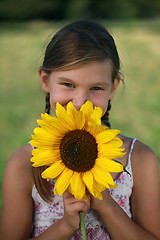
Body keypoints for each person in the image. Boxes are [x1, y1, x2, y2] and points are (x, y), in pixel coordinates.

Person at [0, 19, 160, 240]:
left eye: (95, 88)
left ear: (112, 88)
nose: (80, 102)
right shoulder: (24, 164)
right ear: (45, 81)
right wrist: (65, 226)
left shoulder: (139, 160)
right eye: (68, 84)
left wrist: (105, 204)